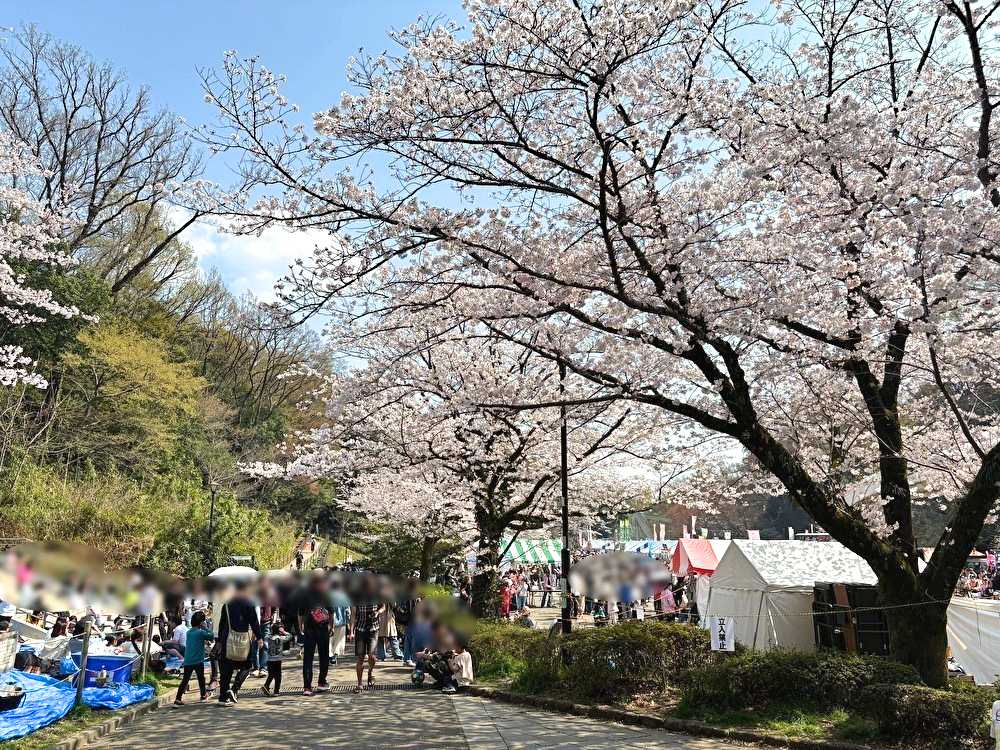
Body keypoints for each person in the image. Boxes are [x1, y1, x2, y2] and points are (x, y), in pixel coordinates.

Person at [217, 581, 263, 707]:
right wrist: (259, 637)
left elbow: (222, 623)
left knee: (226, 670)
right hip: (241, 640)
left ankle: (222, 698)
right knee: (246, 666)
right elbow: (254, 621)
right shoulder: (248, 604)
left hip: (228, 639)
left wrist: (219, 640)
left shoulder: (227, 604)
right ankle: (234, 689)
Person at [297, 573, 332, 696]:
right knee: (324, 657)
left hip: (309, 630)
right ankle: (321, 683)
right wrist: (331, 626)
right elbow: (331, 611)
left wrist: (301, 625)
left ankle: (307, 687)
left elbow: (300, 613)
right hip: (323, 629)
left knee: (308, 658)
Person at [352, 576, 385, 693]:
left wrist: (378, 612)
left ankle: (371, 671)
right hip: (360, 629)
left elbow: (383, 606)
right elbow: (353, 614)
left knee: (371, 655)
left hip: (373, 629)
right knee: (360, 657)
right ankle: (359, 684)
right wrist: (351, 631)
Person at [174, 611, 213, 706]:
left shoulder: (189, 632)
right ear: (201, 622)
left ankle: (178, 699)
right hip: (198, 660)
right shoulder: (201, 633)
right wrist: (206, 628)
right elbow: (211, 637)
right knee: (201, 678)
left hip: (188, 660)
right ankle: (203, 695)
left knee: (185, 680)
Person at [262, 621, 294, 696]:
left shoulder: (268, 637)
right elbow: (290, 636)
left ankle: (266, 684)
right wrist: (283, 632)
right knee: (278, 676)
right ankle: (276, 691)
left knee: (271, 674)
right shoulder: (281, 638)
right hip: (278, 659)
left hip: (269, 659)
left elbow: (265, 641)